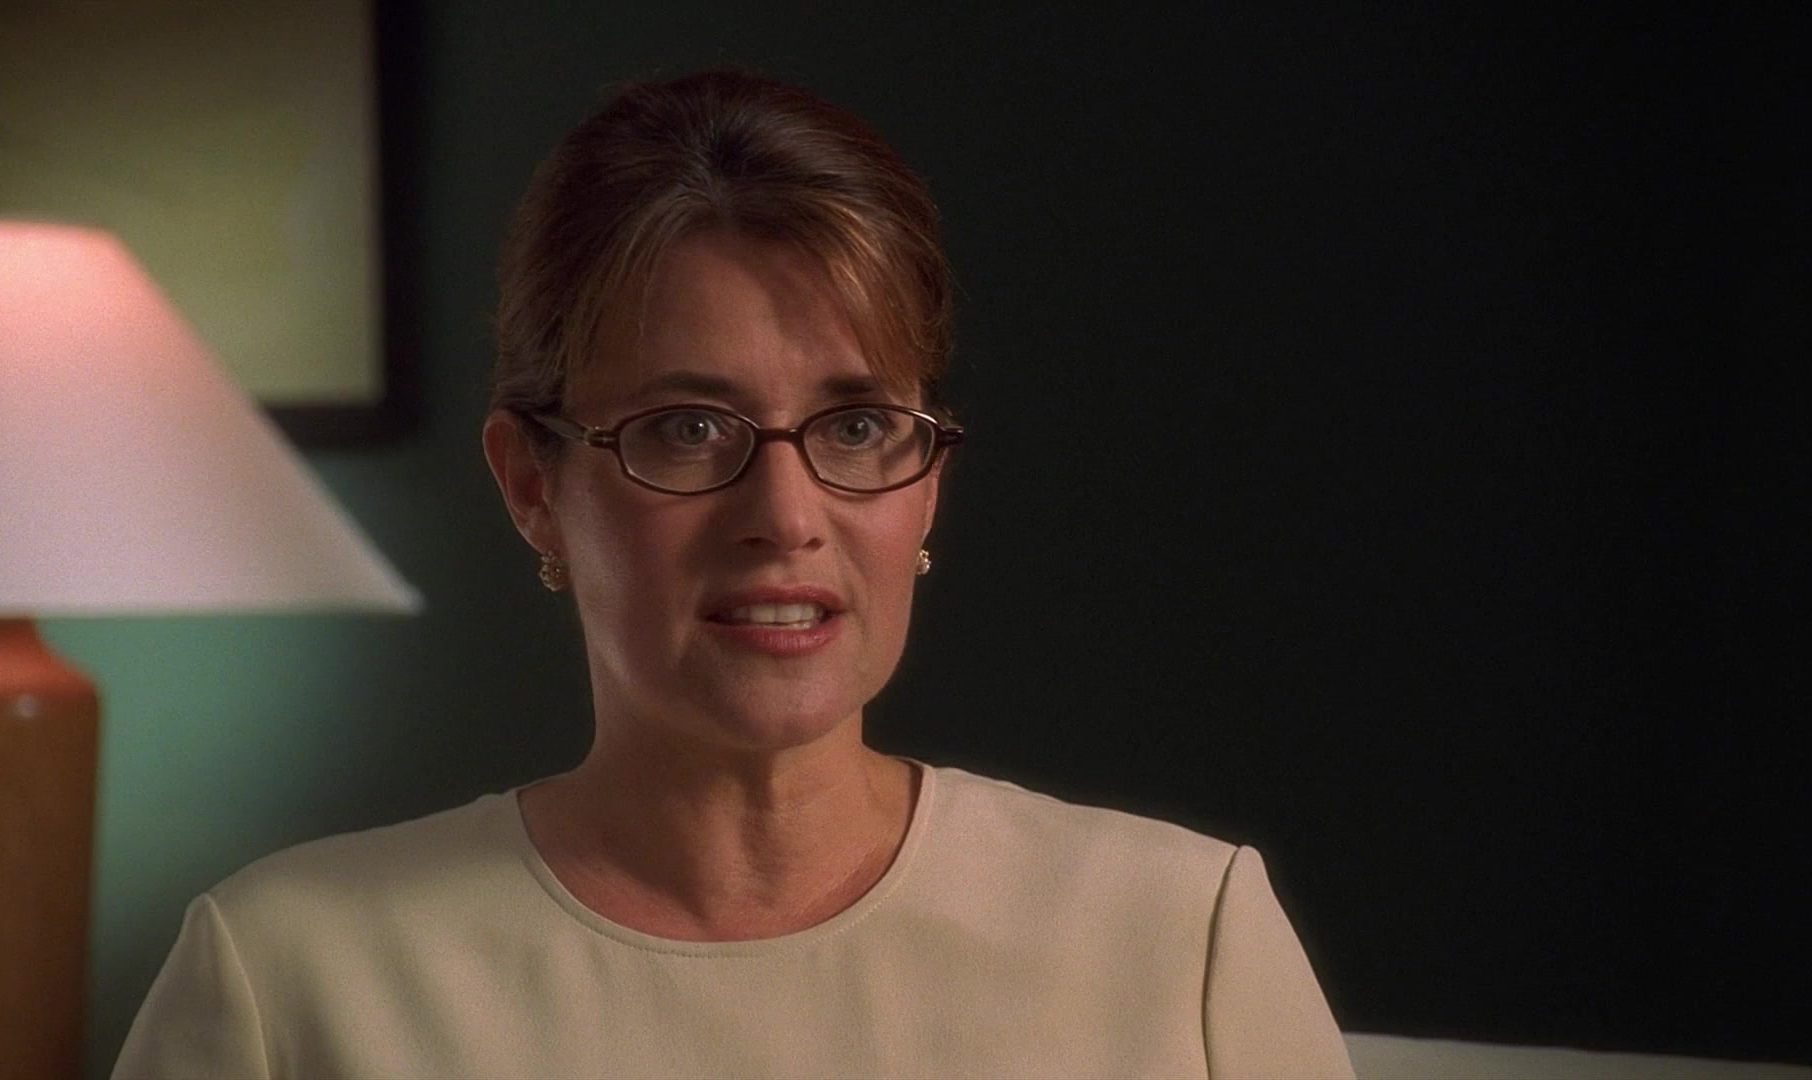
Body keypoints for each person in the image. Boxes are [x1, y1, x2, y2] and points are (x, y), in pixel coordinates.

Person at [114, 69, 1355, 1079]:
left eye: (857, 426)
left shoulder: (1181, 937)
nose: (785, 516)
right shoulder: (286, 976)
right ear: (533, 485)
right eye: (689, 428)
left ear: (927, 481)